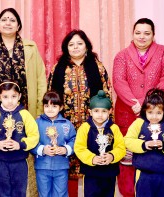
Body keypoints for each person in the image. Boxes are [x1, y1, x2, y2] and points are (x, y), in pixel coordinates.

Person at [0, 7, 47, 196]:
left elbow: (41, 80)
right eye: (4, 19)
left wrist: (39, 112)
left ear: (19, 25)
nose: (8, 22)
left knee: (26, 159)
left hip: (26, 112)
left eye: (12, 20)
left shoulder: (30, 47)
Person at [112, 18, 164, 197]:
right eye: (138, 32)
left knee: (156, 154)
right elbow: (118, 81)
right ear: (132, 34)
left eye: (147, 33)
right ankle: (128, 193)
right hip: (127, 112)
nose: (142, 37)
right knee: (127, 158)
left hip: (157, 113)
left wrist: (146, 102)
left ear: (153, 35)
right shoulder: (122, 55)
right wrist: (136, 103)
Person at [47, 29, 112, 193]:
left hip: (92, 125)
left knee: (92, 164)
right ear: (66, 48)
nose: (75, 47)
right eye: (71, 44)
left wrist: (107, 123)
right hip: (65, 126)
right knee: (67, 169)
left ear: (87, 46)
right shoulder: (58, 68)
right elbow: (51, 98)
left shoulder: (97, 67)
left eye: (79, 43)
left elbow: (107, 96)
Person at [124, 88, 164, 197]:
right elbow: (128, 141)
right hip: (143, 175)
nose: (154, 116)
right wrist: (144, 145)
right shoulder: (139, 123)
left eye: (158, 113)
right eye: (150, 112)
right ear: (144, 111)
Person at [0, 80, 39, 197]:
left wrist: (21, 144)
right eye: (5, 97)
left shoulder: (25, 114)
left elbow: (34, 136)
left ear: (19, 96)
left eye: (13, 96)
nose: (10, 101)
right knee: (1, 191)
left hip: (19, 162)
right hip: (0, 162)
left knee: (19, 191)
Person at [74, 90, 126, 197]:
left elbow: (121, 148)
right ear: (90, 111)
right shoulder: (85, 128)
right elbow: (79, 148)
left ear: (110, 111)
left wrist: (112, 156)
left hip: (109, 174)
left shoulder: (114, 128)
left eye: (104, 111)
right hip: (91, 173)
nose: (100, 115)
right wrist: (92, 158)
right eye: (96, 111)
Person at [31, 90, 76, 197]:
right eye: (47, 106)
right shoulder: (36, 123)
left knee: (61, 194)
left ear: (60, 107)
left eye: (54, 106)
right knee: (44, 194)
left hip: (61, 167)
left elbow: (74, 140)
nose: (50, 109)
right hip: (42, 166)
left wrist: (66, 149)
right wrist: (42, 149)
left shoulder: (67, 124)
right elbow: (31, 141)